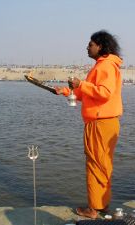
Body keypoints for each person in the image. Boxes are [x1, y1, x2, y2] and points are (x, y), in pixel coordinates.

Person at [53, 30, 123, 219]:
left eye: (90, 44)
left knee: (95, 165)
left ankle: (94, 209)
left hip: (100, 123)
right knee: (102, 165)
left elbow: (104, 92)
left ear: (100, 46)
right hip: (104, 122)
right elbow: (88, 95)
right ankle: (102, 205)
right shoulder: (103, 65)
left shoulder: (105, 66)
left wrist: (80, 84)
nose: (87, 47)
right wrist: (67, 91)